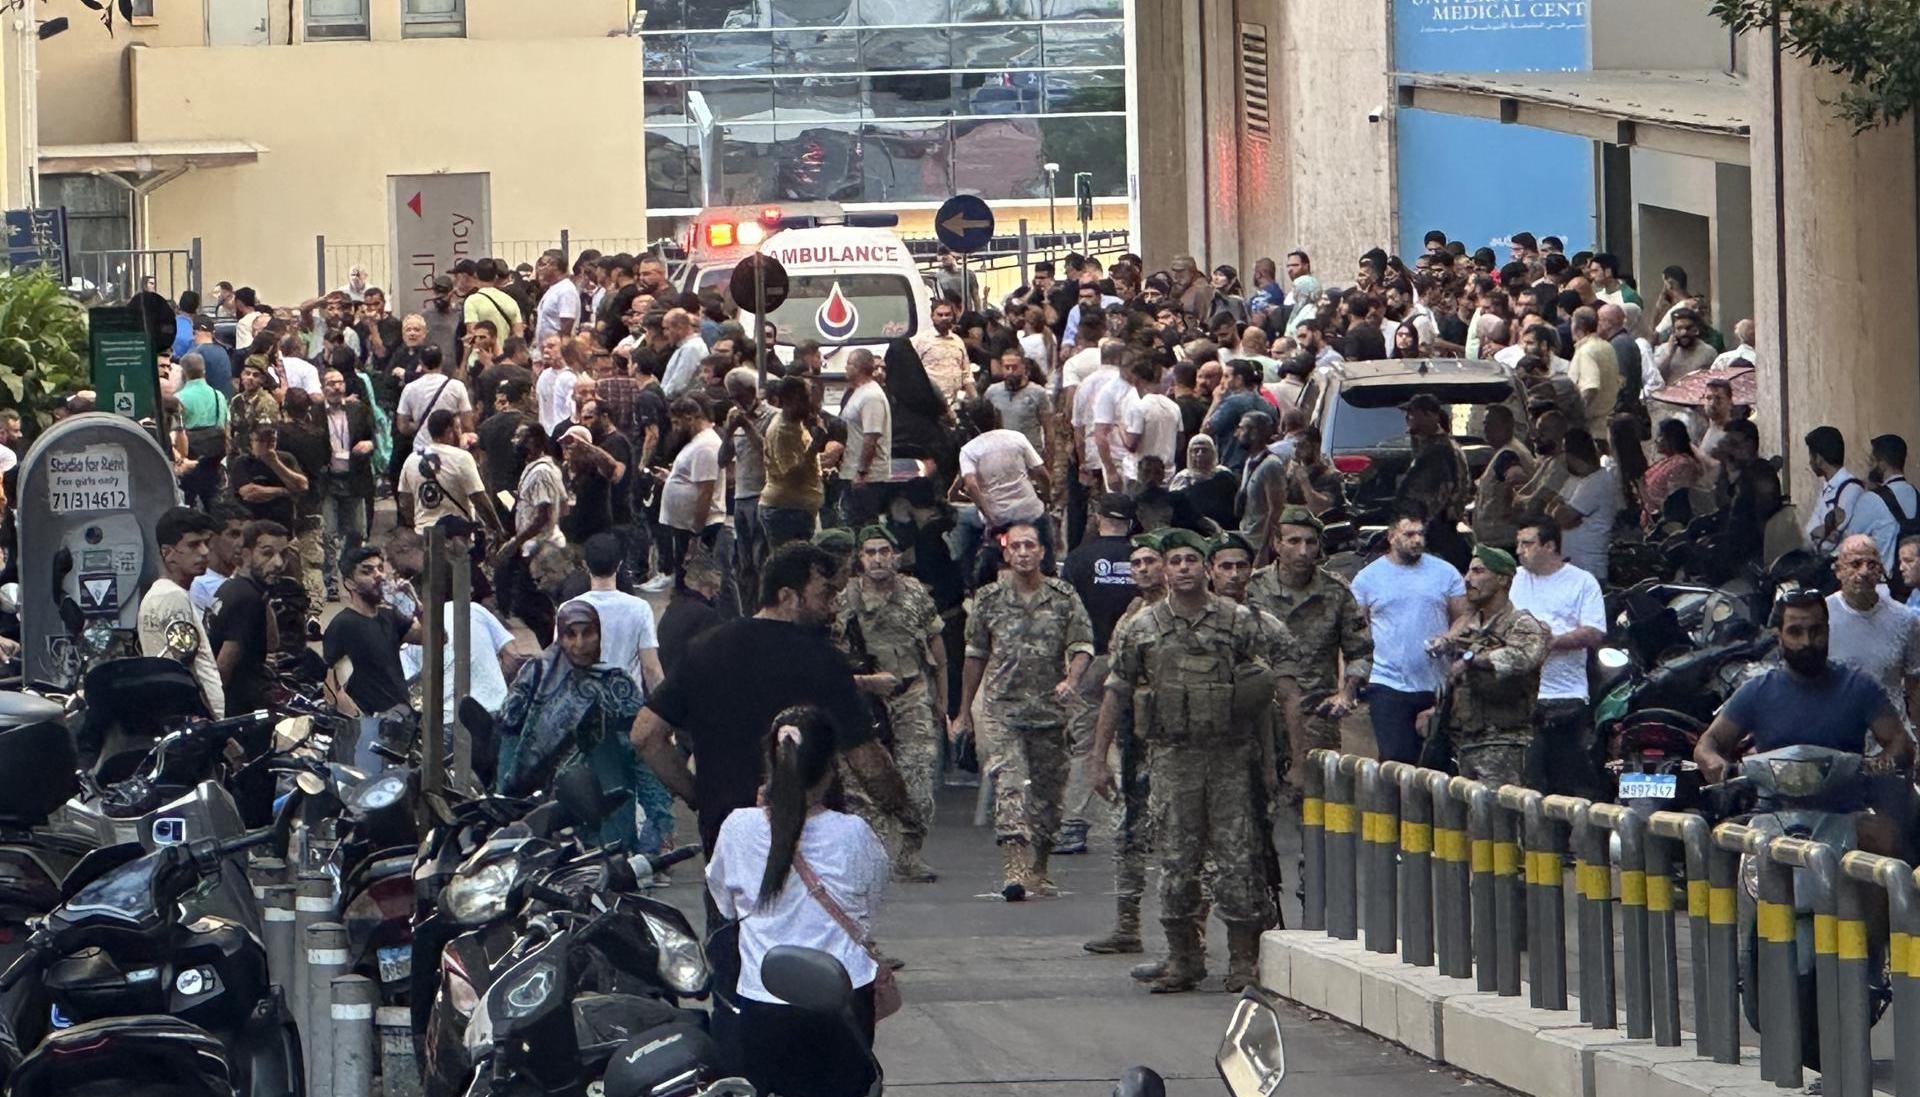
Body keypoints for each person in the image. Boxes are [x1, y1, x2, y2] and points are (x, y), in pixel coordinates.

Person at [633, 542, 919, 859]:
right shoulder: (824, 662)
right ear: (787, 597)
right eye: (825, 594)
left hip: (728, 840)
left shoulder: (705, 648)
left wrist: (697, 794)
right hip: (809, 841)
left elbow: (646, 735)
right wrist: (904, 811)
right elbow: (867, 761)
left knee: (731, 909)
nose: (834, 606)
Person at [1090, 528, 1273, 993]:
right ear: (1165, 570)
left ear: (1207, 568)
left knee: (1237, 860)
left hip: (1229, 756)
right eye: (1176, 561)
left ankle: (1243, 961)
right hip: (1172, 758)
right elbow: (1117, 692)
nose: (1185, 568)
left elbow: (1265, 693)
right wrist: (1098, 758)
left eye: (1193, 559)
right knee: (1176, 861)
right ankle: (1182, 958)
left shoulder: (1239, 622)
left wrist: (1271, 765)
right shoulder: (1142, 627)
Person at [706, 705, 889, 1097]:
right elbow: (869, 909)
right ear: (831, 767)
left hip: (763, 1007)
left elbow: (724, 904)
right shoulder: (855, 834)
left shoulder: (738, 828)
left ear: (771, 763)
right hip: (842, 1007)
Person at [1696, 592, 1911, 859]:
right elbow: (1709, 743)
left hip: (1842, 814)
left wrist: (1883, 762)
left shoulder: (1858, 687)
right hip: (1770, 815)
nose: (1807, 641)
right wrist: (1715, 764)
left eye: (1815, 631)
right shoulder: (1757, 691)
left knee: (1886, 840)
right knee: (1719, 845)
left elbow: (1899, 740)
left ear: (1828, 631)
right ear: (1780, 637)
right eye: (1795, 632)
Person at [955, 521, 1095, 901]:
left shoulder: (1063, 597)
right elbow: (975, 656)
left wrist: (1073, 678)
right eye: (1015, 547)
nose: (1022, 553)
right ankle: (1014, 867)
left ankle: (1040, 866)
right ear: (1006, 554)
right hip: (1005, 711)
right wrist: (964, 711)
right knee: (1010, 785)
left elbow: (1083, 644)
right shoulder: (989, 600)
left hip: (1051, 712)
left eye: (1029, 546)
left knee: (1049, 800)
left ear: (1042, 552)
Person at [494, 600, 670, 853]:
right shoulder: (536, 675)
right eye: (570, 634)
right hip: (541, 815)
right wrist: (506, 804)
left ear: (599, 635)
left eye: (587, 633)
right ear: (560, 637)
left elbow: (640, 753)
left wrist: (659, 819)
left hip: (608, 810)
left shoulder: (615, 683)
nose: (579, 643)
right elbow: (510, 738)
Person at [833, 526, 947, 883]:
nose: (878, 559)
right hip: (864, 701)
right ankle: (874, 855)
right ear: (859, 559)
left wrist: (942, 700)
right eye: (870, 552)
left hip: (911, 695)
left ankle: (909, 854)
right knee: (863, 786)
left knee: (918, 779)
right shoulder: (844, 600)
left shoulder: (914, 594)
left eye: (885, 551)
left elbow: (936, 647)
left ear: (895, 556)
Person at [1247, 507, 1371, 802]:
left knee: (1318, 805)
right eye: (1293, 541)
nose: (1303, 551)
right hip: (1261, 717)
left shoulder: (1336, 592)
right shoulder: (1253, 589)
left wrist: (1347, 693)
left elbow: (1361, 651)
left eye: (1310, 542)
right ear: (1277, 544)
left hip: (1316, 716)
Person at [1351, 504, 1467, 763]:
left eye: (1420, 534)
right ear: (1392, 537)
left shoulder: (1445, 573)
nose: (1417, 540)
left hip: (1435, 681)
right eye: (1409, 534)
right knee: (1396, 758)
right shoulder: (1367, 579)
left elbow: (1464, 617)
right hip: (1387, 680)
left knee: (1436, 761)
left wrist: (1448, 638)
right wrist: (1349, 684)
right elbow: (1355, 633)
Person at [1058, 494, 1140, 855]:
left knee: (1086, 745)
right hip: (1139, 664)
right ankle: (1133, 825)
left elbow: (1065, 612)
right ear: (1132, 522)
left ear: (1097, 517)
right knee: (1136, 745)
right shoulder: (1144, 558)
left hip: (1090, 660)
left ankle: (1073, 825)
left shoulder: (1078, 560)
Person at [1437, 546, 1550, 786]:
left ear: (1502, 579)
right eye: (1468, 572)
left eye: (1478, 571)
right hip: (1465, 742)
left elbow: (1522, 657)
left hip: (1504, 743)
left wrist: (1471, 660)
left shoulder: (1521, 623)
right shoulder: (1469, 627)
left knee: (1501, 819)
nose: (1468, 579)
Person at [1509, 522, 1606, 796]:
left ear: (1549, 546)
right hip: (1520, 694)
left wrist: (1550, 642)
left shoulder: (1582, 582)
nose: (1519, 551)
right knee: (1528, 776)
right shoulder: (1513, 579)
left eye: (1527, 544)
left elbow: (1594, 631)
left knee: (1564, 778)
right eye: (1518, 544)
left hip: (1564, 694)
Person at [322, 545, 419, 771]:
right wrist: (362, 725)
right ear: (350, 583)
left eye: (379, 569)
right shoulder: (344, 624)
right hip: (372, 730)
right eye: (367, 571)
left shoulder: (389, 616)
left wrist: (414, 602)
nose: (378, 576)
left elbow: (436, 638)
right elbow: (331, 687)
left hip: (402, 722)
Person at [138, 507, 226, 718]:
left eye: (206, 543)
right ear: (167, 553)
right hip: (196, 720)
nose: (204, 552)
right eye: (193, 545)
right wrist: (216, 723)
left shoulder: (160, 595)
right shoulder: (172, 598)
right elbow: (189, 670)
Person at [1824, 535, 1920, 727]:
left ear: (1881, 572)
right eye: (1855, 564)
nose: (1864, 572)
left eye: (1872, 565)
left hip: (1891, 739)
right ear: (1838, 570)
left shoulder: (1906, 620)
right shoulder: (1821, 616)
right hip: (1836, 735)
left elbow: (1914, 686)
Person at [493, 421, 567, 645]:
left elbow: (543, 514)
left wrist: (516, 542)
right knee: (538, 605)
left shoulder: (542, 472)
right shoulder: (540, 467)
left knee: (530, 607)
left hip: (540, 548)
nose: (515, 442)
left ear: (534, 441)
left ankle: (555, 650)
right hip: (536, 545)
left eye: (520, 437)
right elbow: (562, 504)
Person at [207, 520, 290, 717]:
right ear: (245, 554)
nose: (278, 563)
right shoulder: (246, 598)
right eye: (267, 553)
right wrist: (217, 722)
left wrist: (266, 596)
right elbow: (222, 669)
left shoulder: (235, 588)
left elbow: (272, 644)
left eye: (283, 555)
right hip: (237, 714)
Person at [657, 396, 728, 591]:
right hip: (685, 526)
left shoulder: (706, 445)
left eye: (677, 423)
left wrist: (696, 533)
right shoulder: (696, 442)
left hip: (699, 528)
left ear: (690, 418)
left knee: (696, 582)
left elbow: (706, 492)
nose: (675, 429)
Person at [398, 410, 492, 534]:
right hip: (457, 536)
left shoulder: (411, 460)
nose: (460, 433)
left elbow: (405, 502)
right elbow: (479, 498)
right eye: (458, 428)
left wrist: (417, 523)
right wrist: (497, 529)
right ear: (449, 432)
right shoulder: (462, 457)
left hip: (424, 534)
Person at [760, 376, 826, 550]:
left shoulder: (796, 424)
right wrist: (816, 444)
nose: (810, 402)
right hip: (786, 511)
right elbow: (792, 476)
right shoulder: (782, 431)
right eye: (805, 398)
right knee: (790, 567)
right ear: (791, 399)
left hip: (799, 508)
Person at [840, 349, 893, 526]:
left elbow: (871, 437)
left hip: (868, 478)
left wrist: (861, 472)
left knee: (864, 526)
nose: (845, 368)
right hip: (853, 472)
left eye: (848, 364)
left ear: (859, 368)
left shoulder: (871, 396)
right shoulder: (859, 392)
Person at [233, 424, 307, 531]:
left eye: (272, 440)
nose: (268, 445)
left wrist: (275, 463)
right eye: (262, 441)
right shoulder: (243, 462)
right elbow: (249, 493)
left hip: (284, 522)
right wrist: (284, 491)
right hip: (255, 521)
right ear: (252, 442)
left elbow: (302, 485)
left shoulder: (286, 459)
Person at [1642, 418, 1706, 525]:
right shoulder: (1667, 461)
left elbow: (1675, 501)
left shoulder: (1683, 465)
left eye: (1659, 436)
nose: (1656, 440)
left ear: (1671, 439)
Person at [192, 502, 250, 613]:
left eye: (246, 536)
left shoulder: (240, 580)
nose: (242, 543)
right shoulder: (199, 585)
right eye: (234, 535)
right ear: (212, 539)